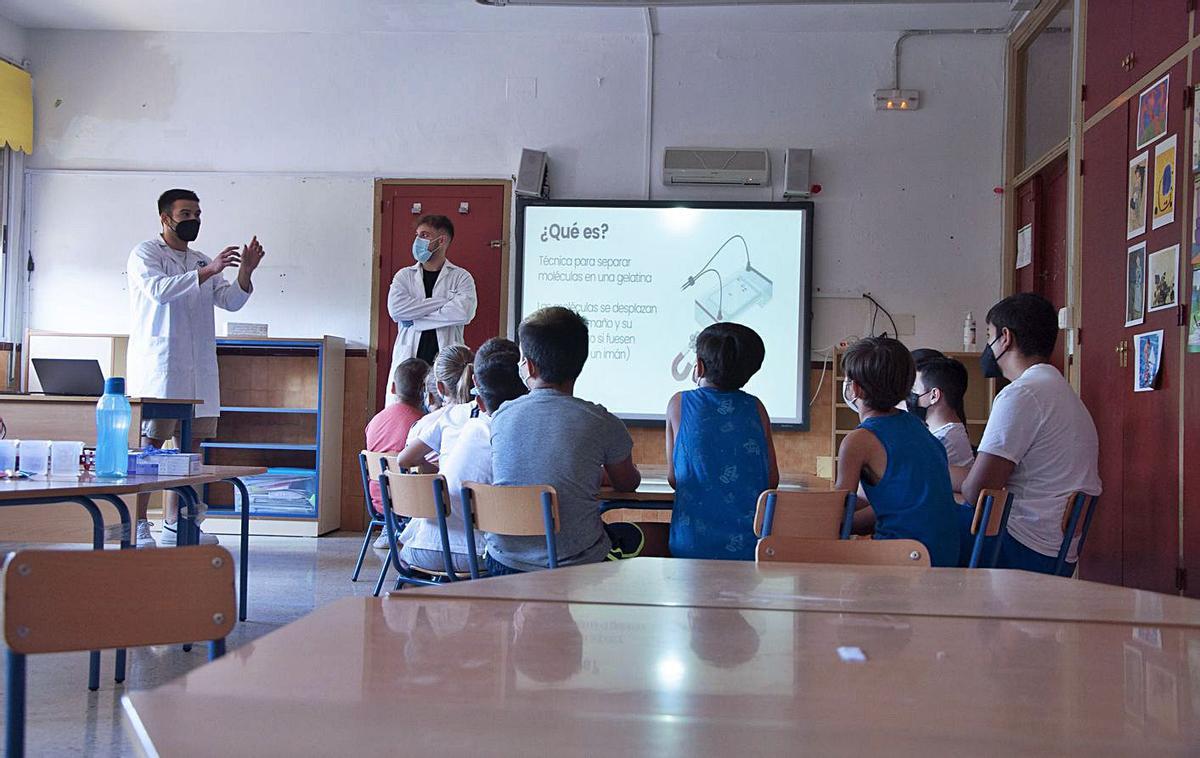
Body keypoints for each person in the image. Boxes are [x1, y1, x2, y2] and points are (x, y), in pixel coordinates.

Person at [127, 189, 264, 547]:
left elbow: (230, 301)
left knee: (191, 449)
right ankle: (139, 524)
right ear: (165, 218)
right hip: (163, 367)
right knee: (151, 447)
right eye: (186, 213)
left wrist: (244, 273)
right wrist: (208, 271)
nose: (193, 220)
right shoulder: (146, 254)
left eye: (197, 213)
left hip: (199, 368)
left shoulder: (200, 259)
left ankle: (179, 523)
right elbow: (158, 290)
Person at [486, 306, 644, 574]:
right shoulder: (601, 420)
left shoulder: (502, 415)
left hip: (502, 563)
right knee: (632, 538)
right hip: (574, 567)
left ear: (530, 366)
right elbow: (628, 483)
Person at [954, 293, 1101, 574]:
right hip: (1057, 553)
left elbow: (977, 492)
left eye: (988, 335)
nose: (987, 344)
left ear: (1005, 337)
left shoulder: (1021, 394)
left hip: (1019, 548)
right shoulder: (1062, 392)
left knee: (917, 518)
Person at [396, 338, 527, 574]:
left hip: (420, 545)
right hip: (480, 553)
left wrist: (436, 475)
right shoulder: (515, 434)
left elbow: (403, 459)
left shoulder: (458, 420)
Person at [836, 336, 960, 567]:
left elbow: (836, 513)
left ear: (854, 388)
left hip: (903, 560)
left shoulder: (858, 441)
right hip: (944, 560)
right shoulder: (920, 429)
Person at [664, 322, 779, 560]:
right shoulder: (756, 408)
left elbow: (675, 478)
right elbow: (771, 480)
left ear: (699, 366)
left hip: (692, 544)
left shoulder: (679, 403)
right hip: (751, 546)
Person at [378, 344, 475, 549]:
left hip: (420, 530)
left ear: (438, 389)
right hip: (476, 539)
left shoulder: (422, 425)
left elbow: (406, 460)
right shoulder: (485, 420)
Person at [386, 215, 477, 406]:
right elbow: (396, 310)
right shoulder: (404, 276)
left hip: (445, 365)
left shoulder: (461, 277)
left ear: (441, 240)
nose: (417, 240)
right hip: (410, 363)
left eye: (424, 235)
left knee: (446, 421)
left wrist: (416, 320)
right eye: (417, 235)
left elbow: (463, 313)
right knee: (408, 420)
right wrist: (444, 302)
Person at [364, 358, 429, 521]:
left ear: (392, 388)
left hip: (380, 501)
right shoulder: (424, 424)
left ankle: (391, 528)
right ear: (426, 391)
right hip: (411, 503)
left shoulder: (374, 421)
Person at [907, 356, 974, 467]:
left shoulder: (944, 440)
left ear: (934, 395)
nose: (909, 396)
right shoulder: (944, 433)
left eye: (914, 389)